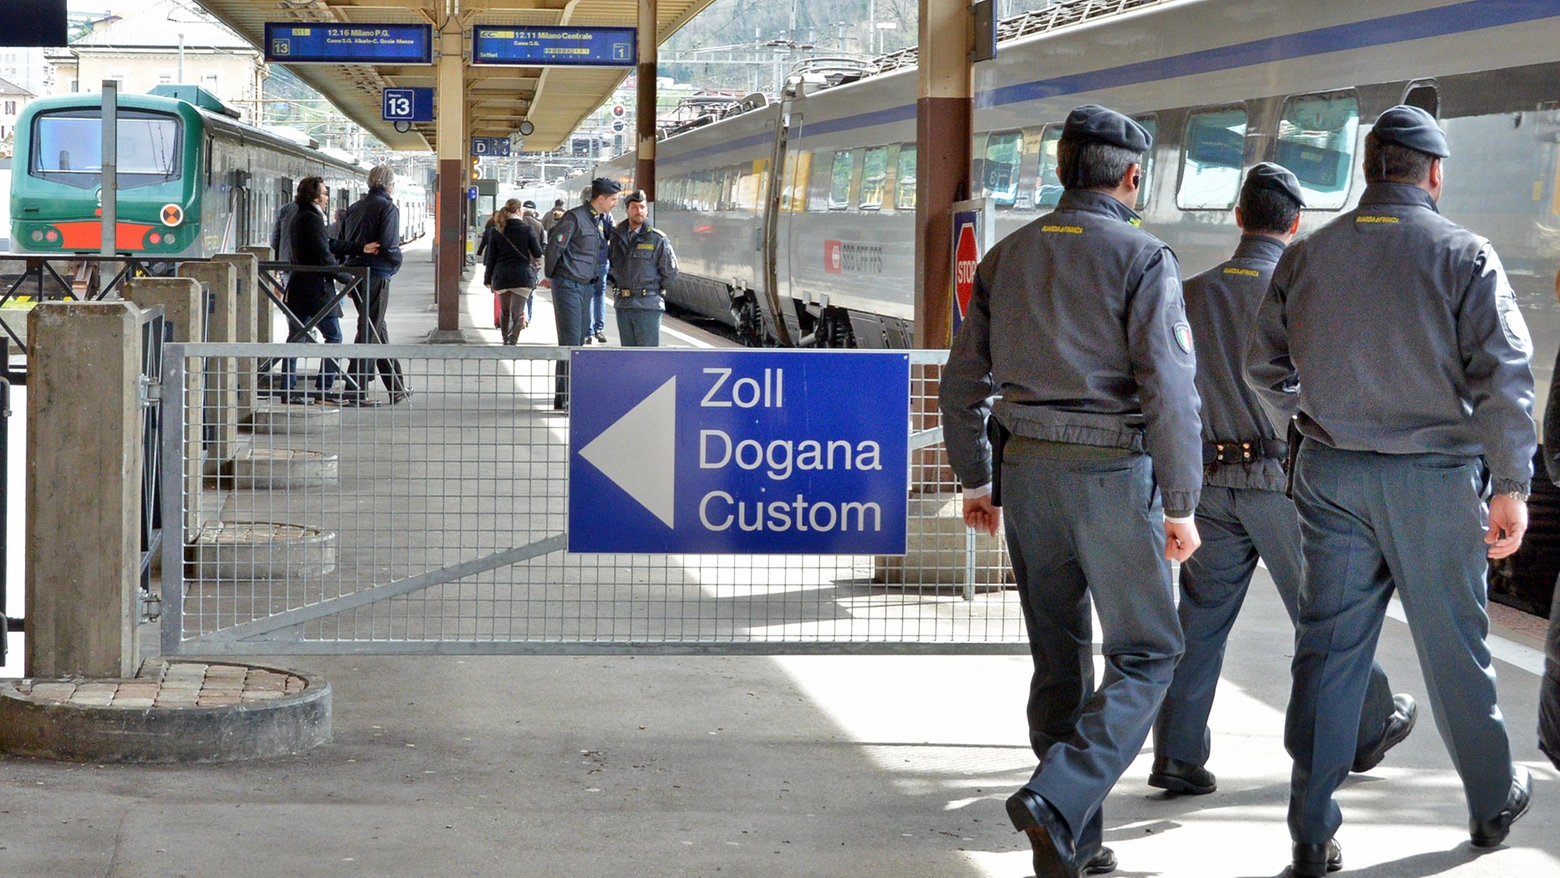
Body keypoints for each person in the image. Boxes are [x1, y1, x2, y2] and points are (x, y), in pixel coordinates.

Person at [1247, 105, 1536, 877]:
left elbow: (1260, 366)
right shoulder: (1465, 254)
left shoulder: (1308, 256)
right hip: (1433, 482)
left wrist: (1307, 412)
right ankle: (1489, 804)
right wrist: (1511, 484)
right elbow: (1505, 380)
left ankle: (1311, 833)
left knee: (1328, 651)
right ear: (1434, 174)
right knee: (1455, 648)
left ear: (1371, 166)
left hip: (1332, 475)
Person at [939, 104, 1202, 878]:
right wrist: (1181, 503)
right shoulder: (1144, 258)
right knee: (1150, 652)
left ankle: (1070, 847)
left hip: (1027, 474)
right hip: (1113, 477)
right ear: (1130, 176)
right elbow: (1171, 392)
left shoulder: (1005, 257)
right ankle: (1059, 798)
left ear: (1060, 172)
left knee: (1058, 657)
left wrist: (978, 480)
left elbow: (963, 384)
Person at [1148, 164, 1415, 798]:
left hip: (1208, 484)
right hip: (1282, 481)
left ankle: (1178, 755)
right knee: (1327, 617)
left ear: (1239, 217)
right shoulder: (1308, 288)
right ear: (1295, 225)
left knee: (1200, 620)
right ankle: (1368, 725)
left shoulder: (1189, 292)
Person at [281, 176, 379, 399]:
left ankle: (288, 388)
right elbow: (324, 257)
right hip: (315, 291)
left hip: (299, 288)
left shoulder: (301, 216)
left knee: (295, 339)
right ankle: (323, 388)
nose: (327, 198)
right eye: (324, 193)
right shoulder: (312, 219)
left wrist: (360, 248)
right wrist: (348, 278)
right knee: (333, 338)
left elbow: (329, 244)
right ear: (315, 196)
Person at [544, 177, 621, 409]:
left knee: (579, 341)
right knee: (570, 341)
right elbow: (555, 247)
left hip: (585, 285)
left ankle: (567, 394)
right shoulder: (574, 218)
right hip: (568, 284)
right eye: (614, 200)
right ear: (601, 198)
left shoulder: (597, 220)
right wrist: (551, 276)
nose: (616, 204)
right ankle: (565, 396)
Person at [341, 165, 410, 405]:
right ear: (389, 185)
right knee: (370, 330)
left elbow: (344, 241)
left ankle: (396, 387)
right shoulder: (387, 207)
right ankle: (354, 388)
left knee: (376, 328)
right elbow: (390, 245)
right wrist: (396, 264)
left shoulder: (354, 208)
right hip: (378, 273)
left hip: (356, 274)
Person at [607, 189, 678, 347]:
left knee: (647, 356)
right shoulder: (616, 237)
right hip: (623, 304)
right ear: (627, 210)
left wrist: (652, 289)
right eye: (634, 207)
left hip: (648, 305)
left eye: (642, 207)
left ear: (647, 210)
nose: (639, 211)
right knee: (628, 355)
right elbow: (611, 267)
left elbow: (670, 272)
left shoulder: (657, 239)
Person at [483, 201, 543, 346]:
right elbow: (537, 252)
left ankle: (504, 339)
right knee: (518, 311)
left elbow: (491, 258)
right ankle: (513, 340)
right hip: (522, 276)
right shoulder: (527, 229)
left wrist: (487, 279)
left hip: (502, 276)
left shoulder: (497, 230)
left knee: (504, 310)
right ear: (517, 211)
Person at [585, 186, 612, 344]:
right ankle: (598, 329)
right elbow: (609, 235)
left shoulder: (580, 215)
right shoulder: (607, 216)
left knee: (588, 295)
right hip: (602, 259)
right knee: (599, 294)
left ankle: (588, 332)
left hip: (586, 262)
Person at [519, 200, 545, 329]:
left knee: (518, 291)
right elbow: (542, 247)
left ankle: (520, 316)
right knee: (530, 291)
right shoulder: (538, 225)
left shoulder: (518, 224)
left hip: (519, 262)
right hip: (534, 263)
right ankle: (527, 317)